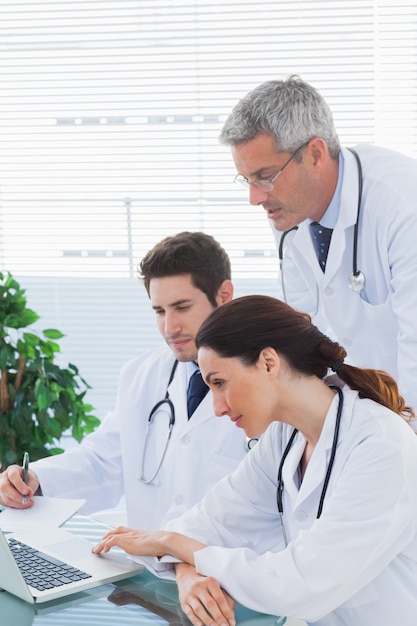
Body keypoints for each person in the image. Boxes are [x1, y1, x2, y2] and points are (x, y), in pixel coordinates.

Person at [91, 295, 417, 626]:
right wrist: (187, 574)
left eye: (220, 383)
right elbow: (206, 523)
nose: (217, 407)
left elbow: (295, 583)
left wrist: (170, 542)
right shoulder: (283, 438)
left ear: (268, 363)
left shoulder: (380, 445)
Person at [0, 232, 246, 534]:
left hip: (224, 573)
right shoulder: (140, 375)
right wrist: (36, 479)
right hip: (148, 568)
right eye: (159, 311)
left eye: (182, 308)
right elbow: (103, 461)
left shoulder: (263, 380)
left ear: (224, 295)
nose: (170, 328)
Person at [218, 75, 417, 420]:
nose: (255, 198)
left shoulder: (402, 205)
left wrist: (401, 434)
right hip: (368, 415)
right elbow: (305, 327)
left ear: (315, 154)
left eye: (264, 176)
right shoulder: (287, 209)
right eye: (247, 180)